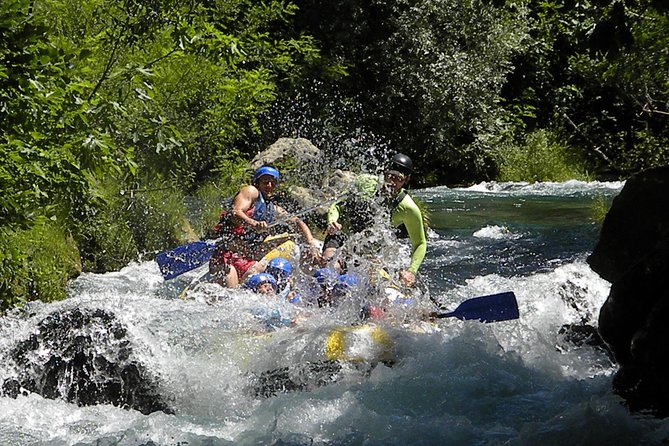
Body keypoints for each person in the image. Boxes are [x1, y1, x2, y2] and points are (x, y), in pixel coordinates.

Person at [323, 153, 427, 288]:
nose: (393, 183)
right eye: (390, 176)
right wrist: (332, 221)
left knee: (369, 283)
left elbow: (420, 243)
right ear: (384, 173)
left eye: (399, 179)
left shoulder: (408, 207)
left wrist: (411, 271)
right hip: (341, 236)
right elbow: (337, 204)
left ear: (406, 180)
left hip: (369, 250)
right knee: (327, 273)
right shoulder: (364, 183)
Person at [209, 166, 321, 288]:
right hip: (226, 253)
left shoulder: (274, 209)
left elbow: (297, 222)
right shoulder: (251, 191)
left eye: (272, 183)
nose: (269, 185)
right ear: (256, 182)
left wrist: (311, 243)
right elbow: (236, 212)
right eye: (265, 182)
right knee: (231, 291)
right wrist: (253, 223)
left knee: (293, 238)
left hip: (247, 256)